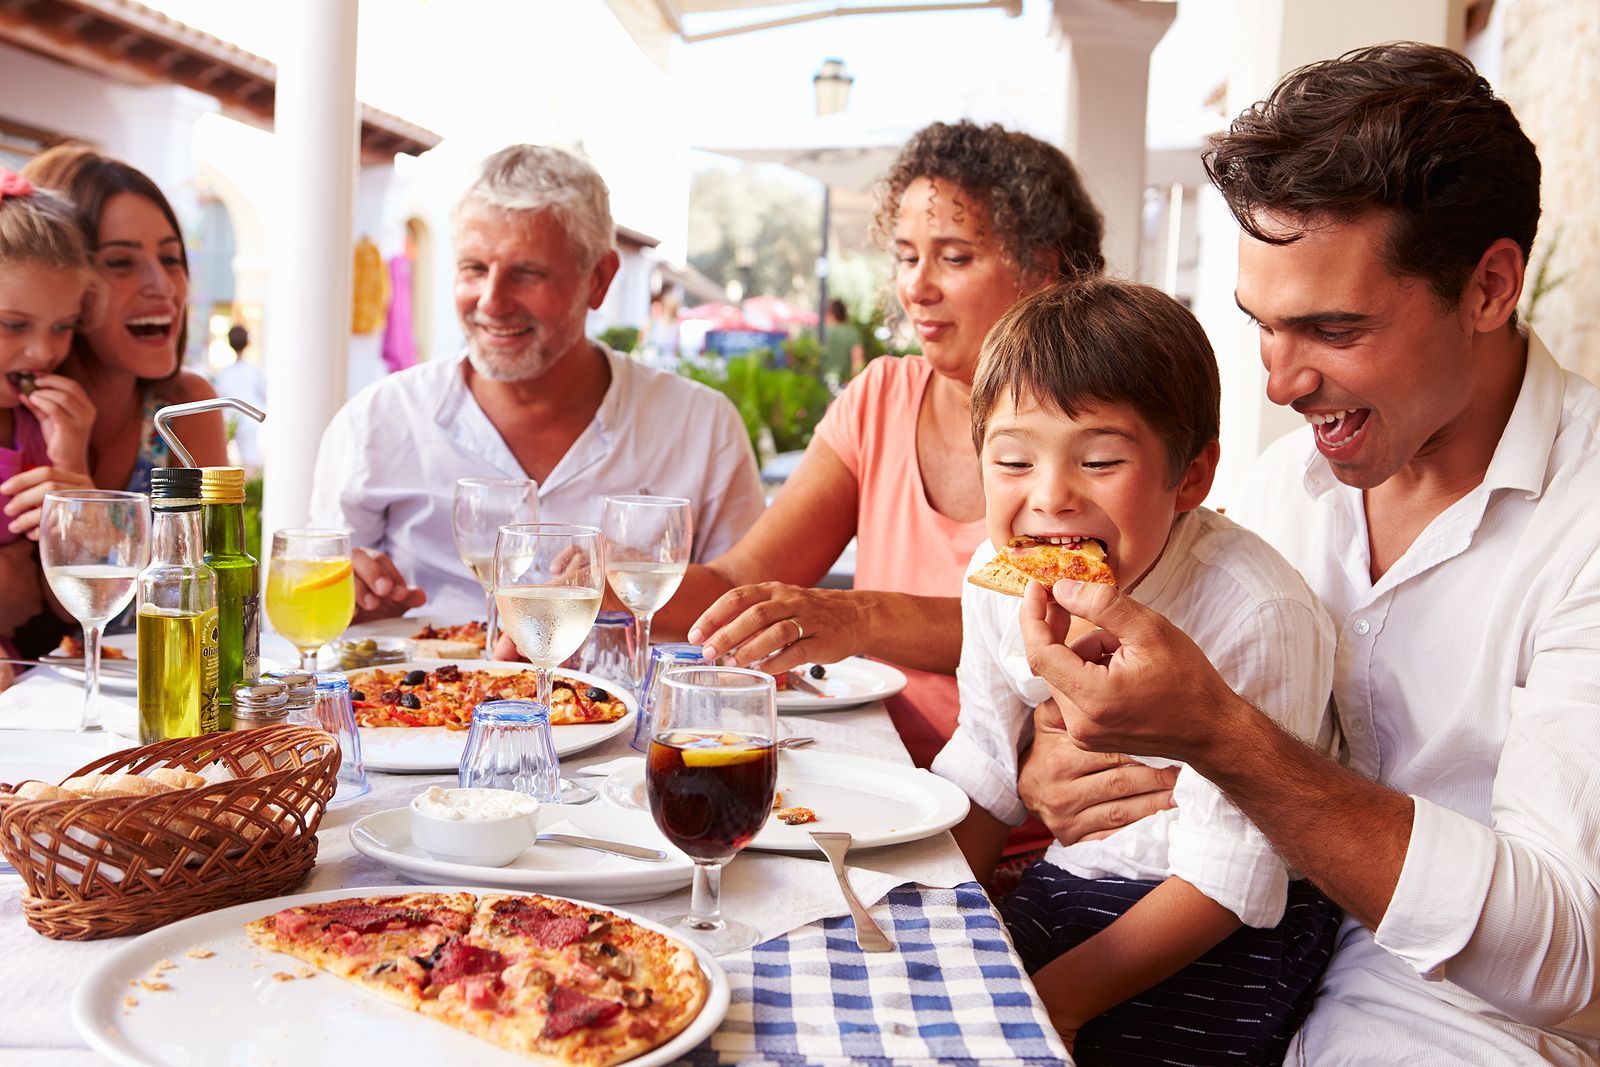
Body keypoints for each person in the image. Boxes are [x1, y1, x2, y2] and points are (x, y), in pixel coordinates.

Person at [1018, 43, 1600, 1063]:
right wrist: (1061, 753)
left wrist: (1227, 737)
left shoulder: (1584, 517)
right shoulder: (1294, 482)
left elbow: (1571, 961)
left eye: (1331, 328)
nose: (1281, 383)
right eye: (1261, 326)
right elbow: (1175, 707)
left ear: (1489, 286)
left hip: (1453, 1024)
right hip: (1230, 953)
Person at [936, 277, 1340, 1061]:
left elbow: (1233, 875)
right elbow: (985, 757)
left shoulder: (1255, 611)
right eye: (1013, 459)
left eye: (1100, 460)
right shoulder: (995, 578)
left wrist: (1051, 1004)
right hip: (1071, 881)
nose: (1050, 498)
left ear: (1190, 474)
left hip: (1220, 924)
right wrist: (923, 916)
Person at [682, 121, 1106, 799]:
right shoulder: (881, 396)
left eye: (955, 257)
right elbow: (744, 578)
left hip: (1023, 818)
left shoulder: (1099, 430)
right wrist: (606, 589)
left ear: (1042, 268)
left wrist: (856, 618)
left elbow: (1064, 627)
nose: (917, 286)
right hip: (876, 783)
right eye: (907, 256)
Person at [308, 144, 765, 622]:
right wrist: (353, 603)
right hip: (426, 692)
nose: (492, 301)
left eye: (526, 273)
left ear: (600, 279)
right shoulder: (375, 423)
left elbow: (746, 612)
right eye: (474, 268)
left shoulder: (703, 428)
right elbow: (322, 609)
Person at [21, 146, 226, 493]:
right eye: (120, 262)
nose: (163, 287)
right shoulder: (12, 410)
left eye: (170, 258)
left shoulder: (184, 407)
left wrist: (79, 504)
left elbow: (206, 549)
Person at [0, 170, 97, 689]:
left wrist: (73, 463)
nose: (43, 352)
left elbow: (71, 607)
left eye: (62, 327)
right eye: (12, 324)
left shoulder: (38, 426)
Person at [819, 297, 863, 386]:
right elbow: (858, 363)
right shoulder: (852, 332)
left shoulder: (819, 332)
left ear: (829, 313)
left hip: (821, 386)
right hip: (844, 384)